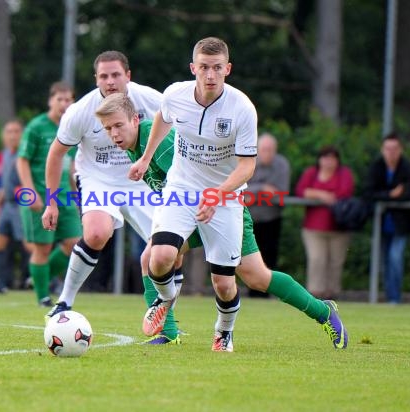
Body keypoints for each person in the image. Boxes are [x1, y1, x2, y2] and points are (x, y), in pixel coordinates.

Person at [129, 37, 348, 352]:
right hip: (183, 190)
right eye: (203, 67)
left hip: (226, 198)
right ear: (193, 68)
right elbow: (163, 117)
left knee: (247, 278)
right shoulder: (175, 95)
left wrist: (217, 195)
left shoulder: (242, 108)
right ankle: (165, 303)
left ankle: (314, 313)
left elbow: (248, 167)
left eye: (217, 68)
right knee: (158, 255)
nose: (209, 75)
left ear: (227, 69)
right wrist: (146, 157)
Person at [42, 51, 182, 345]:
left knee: (164, 251)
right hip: (98, 179)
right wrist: (51, 201)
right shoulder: (80, 111)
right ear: (96, 80)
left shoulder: (151, 100)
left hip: (142, 178)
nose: (110, 81)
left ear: (128, 76)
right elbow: (56, 154)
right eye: (103, 76)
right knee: (95, 233)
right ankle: (65, 301)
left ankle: (168, 332)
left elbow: (184, 125)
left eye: (115, 74)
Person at [16, 82, 82, 306]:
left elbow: (72, 164)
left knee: (76, 242)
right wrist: (30, 192)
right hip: (41, 195)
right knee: (42, 247)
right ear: (50, 101)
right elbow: (22, 160)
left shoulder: (72, 126)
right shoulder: (36, 127)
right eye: (59, 99)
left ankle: (38, 278)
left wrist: (77, 194)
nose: (64, 104)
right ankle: (43, 296)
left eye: (68, 100)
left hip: (64, 196)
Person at [364, 133, 410, 304]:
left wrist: (385, 197)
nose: (391, 152)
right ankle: (388, 296)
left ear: (400, 149)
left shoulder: (408, 168)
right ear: (382, 149)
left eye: (395, 148)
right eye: (388, 148)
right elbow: (368, 193)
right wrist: (390, 194)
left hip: (400, 224)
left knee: (395, 258)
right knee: (383, 262)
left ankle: (395, 298)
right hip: (380, 224)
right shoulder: (376, 167)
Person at [295, 145, 354, 300]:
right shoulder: (311, 173)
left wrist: (314, 193)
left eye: (332, 158)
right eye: (325, 158)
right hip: (313, 228)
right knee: (316, 260)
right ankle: (315, 295)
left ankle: (332, 295)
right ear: (319, 160)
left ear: (337, 160)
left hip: (338, 227)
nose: (328, 162)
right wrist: (320, 194)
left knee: (336, 262)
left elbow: (345, 192)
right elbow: (300, 191)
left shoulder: (344, 173)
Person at [247, 133, 290, 298]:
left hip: (272, 218)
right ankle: (251, 293)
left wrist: (253, 194)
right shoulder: (248, 161)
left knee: (269, 257)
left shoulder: (282, 165)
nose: (267, 153)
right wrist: (263, 189)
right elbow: (241, 189)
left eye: (270, 150)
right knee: (248, 258)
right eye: (264, 149)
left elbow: (280, 193)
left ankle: (267, 293)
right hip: (249, 219)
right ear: (258, 149)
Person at [0, 120, 31, 293]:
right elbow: (6, 183)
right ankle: (2, 282)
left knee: (30, 244)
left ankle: (35, 279)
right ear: (3, 136)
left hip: (22, 204)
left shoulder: (25, 154)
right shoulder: (5, 154)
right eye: (9, 131)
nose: (12, 135)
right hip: (7, 205)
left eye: (16, 131)